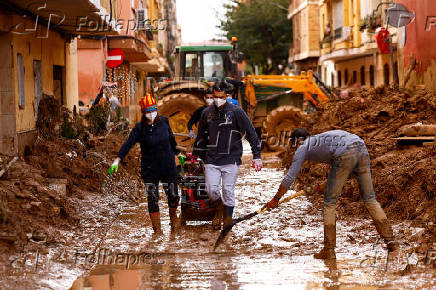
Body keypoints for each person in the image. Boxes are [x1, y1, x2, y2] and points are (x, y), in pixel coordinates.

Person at [266, 128, 398, 259]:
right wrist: (329, 183)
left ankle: (329, 250)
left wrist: (276, 198)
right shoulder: (322, 139)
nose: (294, 148)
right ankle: (391, 242)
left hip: (345, 153)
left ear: (297, 142)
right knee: (370, 199)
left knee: (329, 203)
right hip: (361, 147)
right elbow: (348, 168)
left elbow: (290, 177)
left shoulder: (303, 146)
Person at [193, 81, 263, 230]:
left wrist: (257, 155)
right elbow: (201, 137)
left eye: (221, 96)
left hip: (231, 159)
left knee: (228, 191)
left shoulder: (237, 112)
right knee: (211, 191)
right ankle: (219, 208)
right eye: (215, 96)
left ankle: (227, 221)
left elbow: (251, 133)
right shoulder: (207, 113)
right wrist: (195, 156)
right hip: (212, 159)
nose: (217, 99)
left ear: (227, 96)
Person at [108, 94, 181, 236]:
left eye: (154, 110)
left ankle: (173, 217)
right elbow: (128, 144)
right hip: (150, 169)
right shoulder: (139, 128)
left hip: (168, 167)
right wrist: (118, 159)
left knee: (173, 196)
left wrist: (179, 154)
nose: (152, 113)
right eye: (148, 111)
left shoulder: (164, 122)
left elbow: (172, 140)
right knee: (153, 198)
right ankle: (157, 230)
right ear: (144, 113)